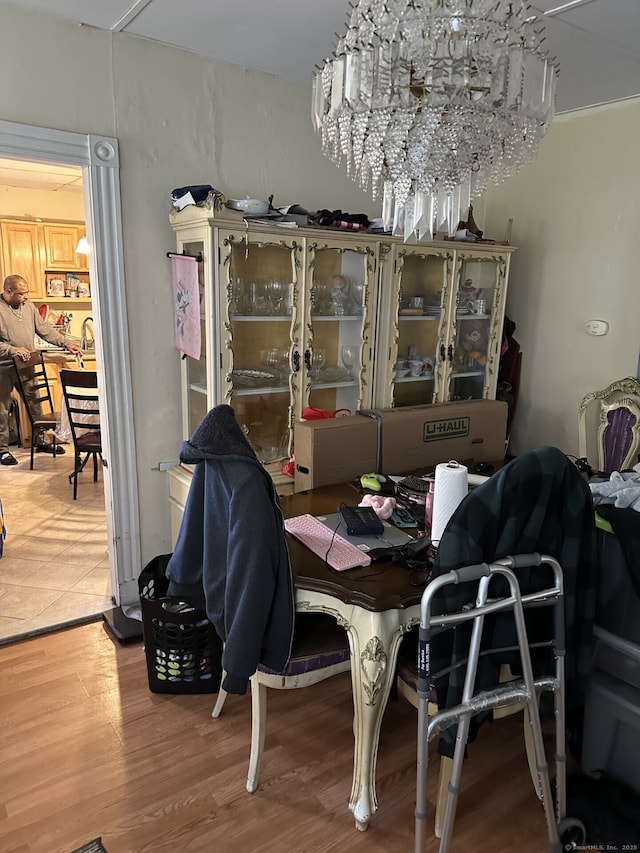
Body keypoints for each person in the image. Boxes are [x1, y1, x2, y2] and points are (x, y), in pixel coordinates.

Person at [0, 274, 81, 466]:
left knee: (35, 404)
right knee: (1, 409)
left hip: (26, 364)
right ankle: (2, 450)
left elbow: (45, 330)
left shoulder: (28, 307)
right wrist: (13, 349)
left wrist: (67, 343)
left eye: (26, 293)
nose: (25, 298)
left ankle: (41, 441)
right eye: (20, 294)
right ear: (7, 292)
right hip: (3, 367)